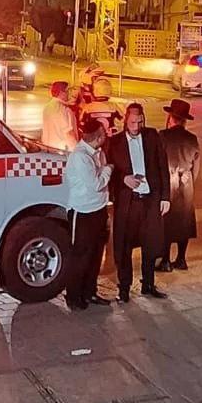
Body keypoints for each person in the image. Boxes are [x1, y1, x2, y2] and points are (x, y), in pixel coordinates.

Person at [107, 103, 170, 302]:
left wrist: (165, 197)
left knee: (150, 245)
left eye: (140, 121)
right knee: (124, 247)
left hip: (150, 200)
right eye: (133, 122)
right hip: (128, 203)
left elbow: (162, 167)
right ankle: (124, 288)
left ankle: (148, 284)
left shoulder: (152, 136)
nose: (136, 126)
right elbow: (110, 172)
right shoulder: (114, 142)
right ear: (125, 120)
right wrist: (123, 179)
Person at [61, 120, 112, 309]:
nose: (106, 136)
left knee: (95, 255)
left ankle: (90, 292)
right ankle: (74, 297)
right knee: (80, 256)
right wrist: (108, 170)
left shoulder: (98, 152)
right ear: (98, 137)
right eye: (104, 133)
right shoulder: (80, 157)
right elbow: (96, 184)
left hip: (98, 209)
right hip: (82, 213)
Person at [160, 99, 202, 270]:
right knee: (184, 220)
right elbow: (197, 166)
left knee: (166, 220)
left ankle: (165, 260)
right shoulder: (192, 139)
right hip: (186, 182)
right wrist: (191, 180)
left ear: (170, 117)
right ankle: (181, 258)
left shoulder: (162, 136)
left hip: (168, 181)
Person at [40, 80, 77, 150]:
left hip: (48, 147)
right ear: (60, 92)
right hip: (62, 150)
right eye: (67, 91)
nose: (69, 93)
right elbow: (68, 132)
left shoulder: (48, 106)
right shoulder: (61, 109)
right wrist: (76, 149)